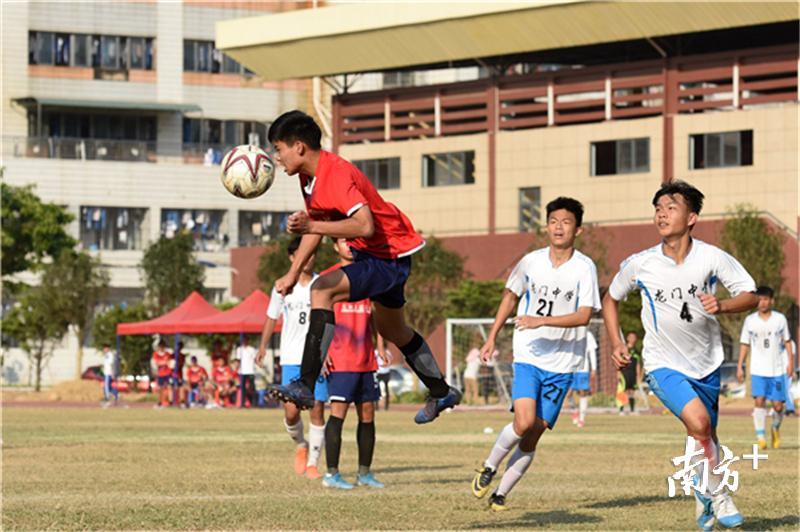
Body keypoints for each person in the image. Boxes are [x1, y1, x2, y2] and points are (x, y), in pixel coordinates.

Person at [265, 110, 460, 424]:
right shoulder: (309, 177)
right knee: (392, 330)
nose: (276, 157)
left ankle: (304, 384)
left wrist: (312, 224)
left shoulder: (335, 174)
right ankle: (441, 391)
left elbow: (364, 225)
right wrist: (291, 273)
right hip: (387, 256)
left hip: (386, 255)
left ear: (299, 146)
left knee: (322, 290)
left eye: (278, 148)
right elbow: (317, 228)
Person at [602, 181, 756, 530]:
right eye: (658, 207)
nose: (662, 212)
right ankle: (720, 496)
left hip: (707, 363)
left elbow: (750, 294)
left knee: (705, 435)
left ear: (692, 217)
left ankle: (703, 493)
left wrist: (724, 304)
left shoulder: (712, 257)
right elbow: (610, 299)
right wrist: (615, 342)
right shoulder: (641, 264)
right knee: (699, 424)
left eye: (671, 207)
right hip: (662, 364)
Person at [471, 197, 600, 511]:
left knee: (532, 436)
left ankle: (500, 494)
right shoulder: (530, 262)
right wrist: (491, 336)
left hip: (564, 362)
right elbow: (510, 296)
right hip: (529, 354)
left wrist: (542, 319)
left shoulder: (584, 268)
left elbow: (585, 315)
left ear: (578, 230)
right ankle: (488, 466)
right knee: (523, 421)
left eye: (566, 222)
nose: (558, 227)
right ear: (546, 226)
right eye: (553, 221)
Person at [257, 237, 328, 479]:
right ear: (292, 258)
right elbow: (271, 316)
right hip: (290, 358)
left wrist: (329, 352)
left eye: (311, 254)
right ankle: (300, 444)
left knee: (317, 409)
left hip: (316, 357)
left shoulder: (323, 284)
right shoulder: (282, 285)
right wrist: (262, 346)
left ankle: (313, 464)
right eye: (302, 254)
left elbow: (330, 323)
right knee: (291, 412)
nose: (308, 258)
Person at [321, 238, 388, 490]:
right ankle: (331, 474)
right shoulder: (328, 278)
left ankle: (364, 473)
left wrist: (381, 345)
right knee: (338, 413)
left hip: (366, 358)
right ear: (334, 247)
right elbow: (319, 317)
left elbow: (380, 313)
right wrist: (322, 350)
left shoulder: (369, 274)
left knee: (368, 414)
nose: (348, 245)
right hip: (340, 358)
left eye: (352, 241)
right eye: (342, 241)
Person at [737, 285, 794, 449]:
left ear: (772, 301)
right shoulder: (750, 321)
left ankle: (775, 428)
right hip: (758, 370)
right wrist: (740, 365)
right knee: (759, 400)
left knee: (778, 405)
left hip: (777, 371)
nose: (762, 303)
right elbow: (744, 344)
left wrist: (790, 362)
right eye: (759, 299)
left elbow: (787, 341)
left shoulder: (780, 319)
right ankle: (761, 438)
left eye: (765, 299)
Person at [569, 329, 597, 427]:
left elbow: (592, 352)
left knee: (582, 392)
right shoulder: (570, 332)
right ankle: (574, 410)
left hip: (583, 368)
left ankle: (581, 418)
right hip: (570, 368)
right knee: (568, 393)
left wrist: (594, 368)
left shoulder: (588, 335)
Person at [618, 331, 643, 415]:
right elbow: (619, 362)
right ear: (627, 338)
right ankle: (621, 410)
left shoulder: (636, 352)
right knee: (623, 391)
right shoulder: (624, 350)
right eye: (631, 337)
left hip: (632, 374)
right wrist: (618, 373)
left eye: (634, 337)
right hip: (624, 373)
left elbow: (638, 364)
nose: (632, 339)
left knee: (632, 391)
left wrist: (638, 375)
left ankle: (632, 410)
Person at [236, 336, 258, 408]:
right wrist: (236, 369)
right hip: (242, 371)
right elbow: (238, 360)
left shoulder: (252, 349)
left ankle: (254, 403)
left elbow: (255, 359)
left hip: (250, 371)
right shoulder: (239, 349)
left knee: (252, 388)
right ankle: (242, 403)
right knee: (242, 388)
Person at [374, 337, 393, 411]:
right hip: (379, 372)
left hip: (385, 371)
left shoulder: (387, 352)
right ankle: (377, 407)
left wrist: (386, 364)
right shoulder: (376, 352)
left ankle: (386, 407)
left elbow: (390, 360)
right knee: (377, 390)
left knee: (386, 389)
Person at [152, 341, 172, 408]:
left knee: (168, 388)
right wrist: (164, 362)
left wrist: (163, 363)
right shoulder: (155, 354)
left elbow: (169, 363)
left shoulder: (167, 354)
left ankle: (168, 402)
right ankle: (159, 402)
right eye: (160, 346)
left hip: (167, 373)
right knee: (160, 389)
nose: (161, 347)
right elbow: (156, 363)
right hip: (160, 374)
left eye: (163, 346)